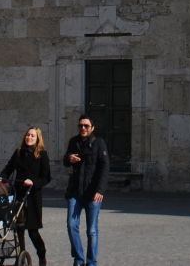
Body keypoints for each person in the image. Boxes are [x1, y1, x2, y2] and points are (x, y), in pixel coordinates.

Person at [1, 126, 52, 266]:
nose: (29, 138)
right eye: (27, 135)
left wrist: (33, 182)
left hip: (33, 196)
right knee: (19, 229)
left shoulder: (42, 154)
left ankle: (42, 255)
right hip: (18, 194)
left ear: (37, 139)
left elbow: (46, 177)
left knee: (33, 231)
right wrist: (2, 179)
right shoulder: (18, 153)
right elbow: (8, 168)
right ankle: (21, 258)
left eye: (32, 136)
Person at [63, 114, 108, 266]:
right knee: (71, 225)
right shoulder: (73, 142)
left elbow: (104, 168)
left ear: (92, 128)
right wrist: (69, 159)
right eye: (80, 125)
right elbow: (65, 160)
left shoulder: (99, 143)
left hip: (92, 192)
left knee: (92, 230)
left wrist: (100, 190)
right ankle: (79, 258)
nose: (83, 128)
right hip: (75, 191)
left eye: (86, 126)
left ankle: (91, 262)